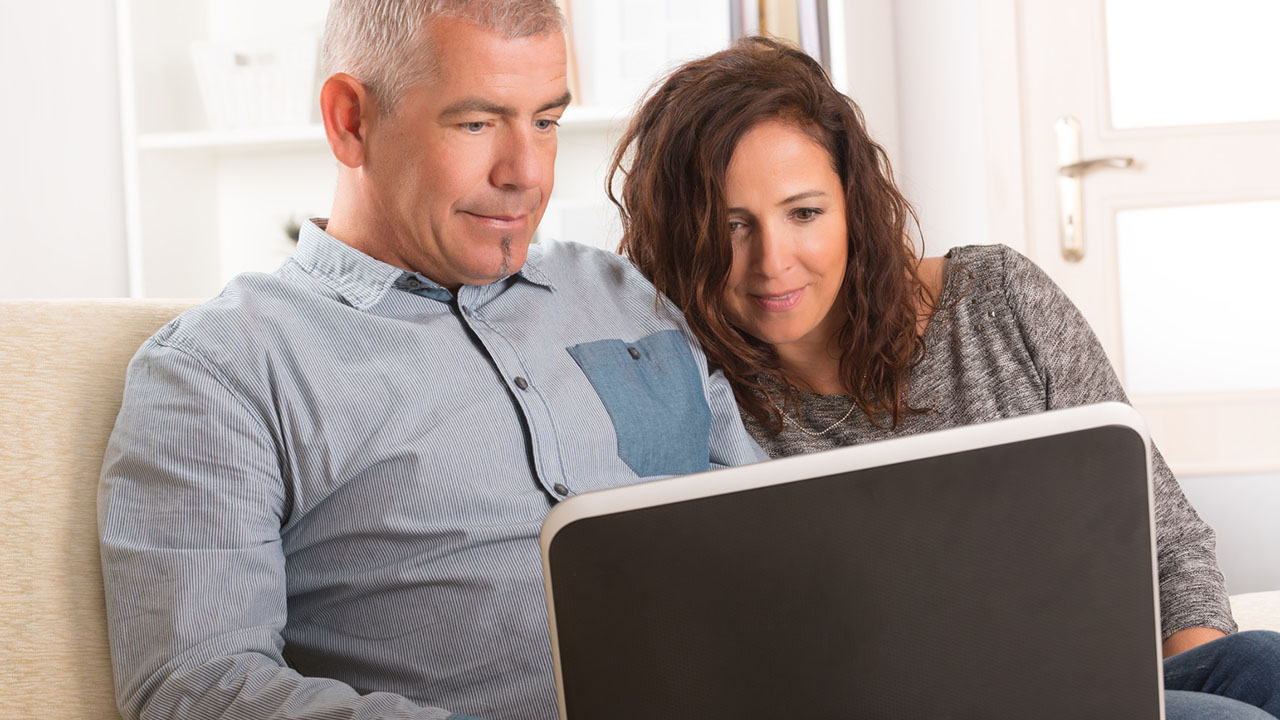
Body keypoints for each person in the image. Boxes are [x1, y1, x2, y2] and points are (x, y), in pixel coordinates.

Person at [97, 3, 763, 719]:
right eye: (476, 124)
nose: (527, 173)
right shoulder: (223, 371)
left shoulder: (623, 293)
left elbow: (776, 531)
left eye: (545, 121)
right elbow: (198, 688)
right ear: (350, 120)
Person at [612, 36, 1280, 719]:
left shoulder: (998, 298)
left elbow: (1163, 538)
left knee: (1263, 662)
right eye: (731, 225)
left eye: (804, 213)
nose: (773, 260)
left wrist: (1176, 694)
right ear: (683, 235)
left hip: (1085, 686)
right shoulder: (699, 397)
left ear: (853, 209)